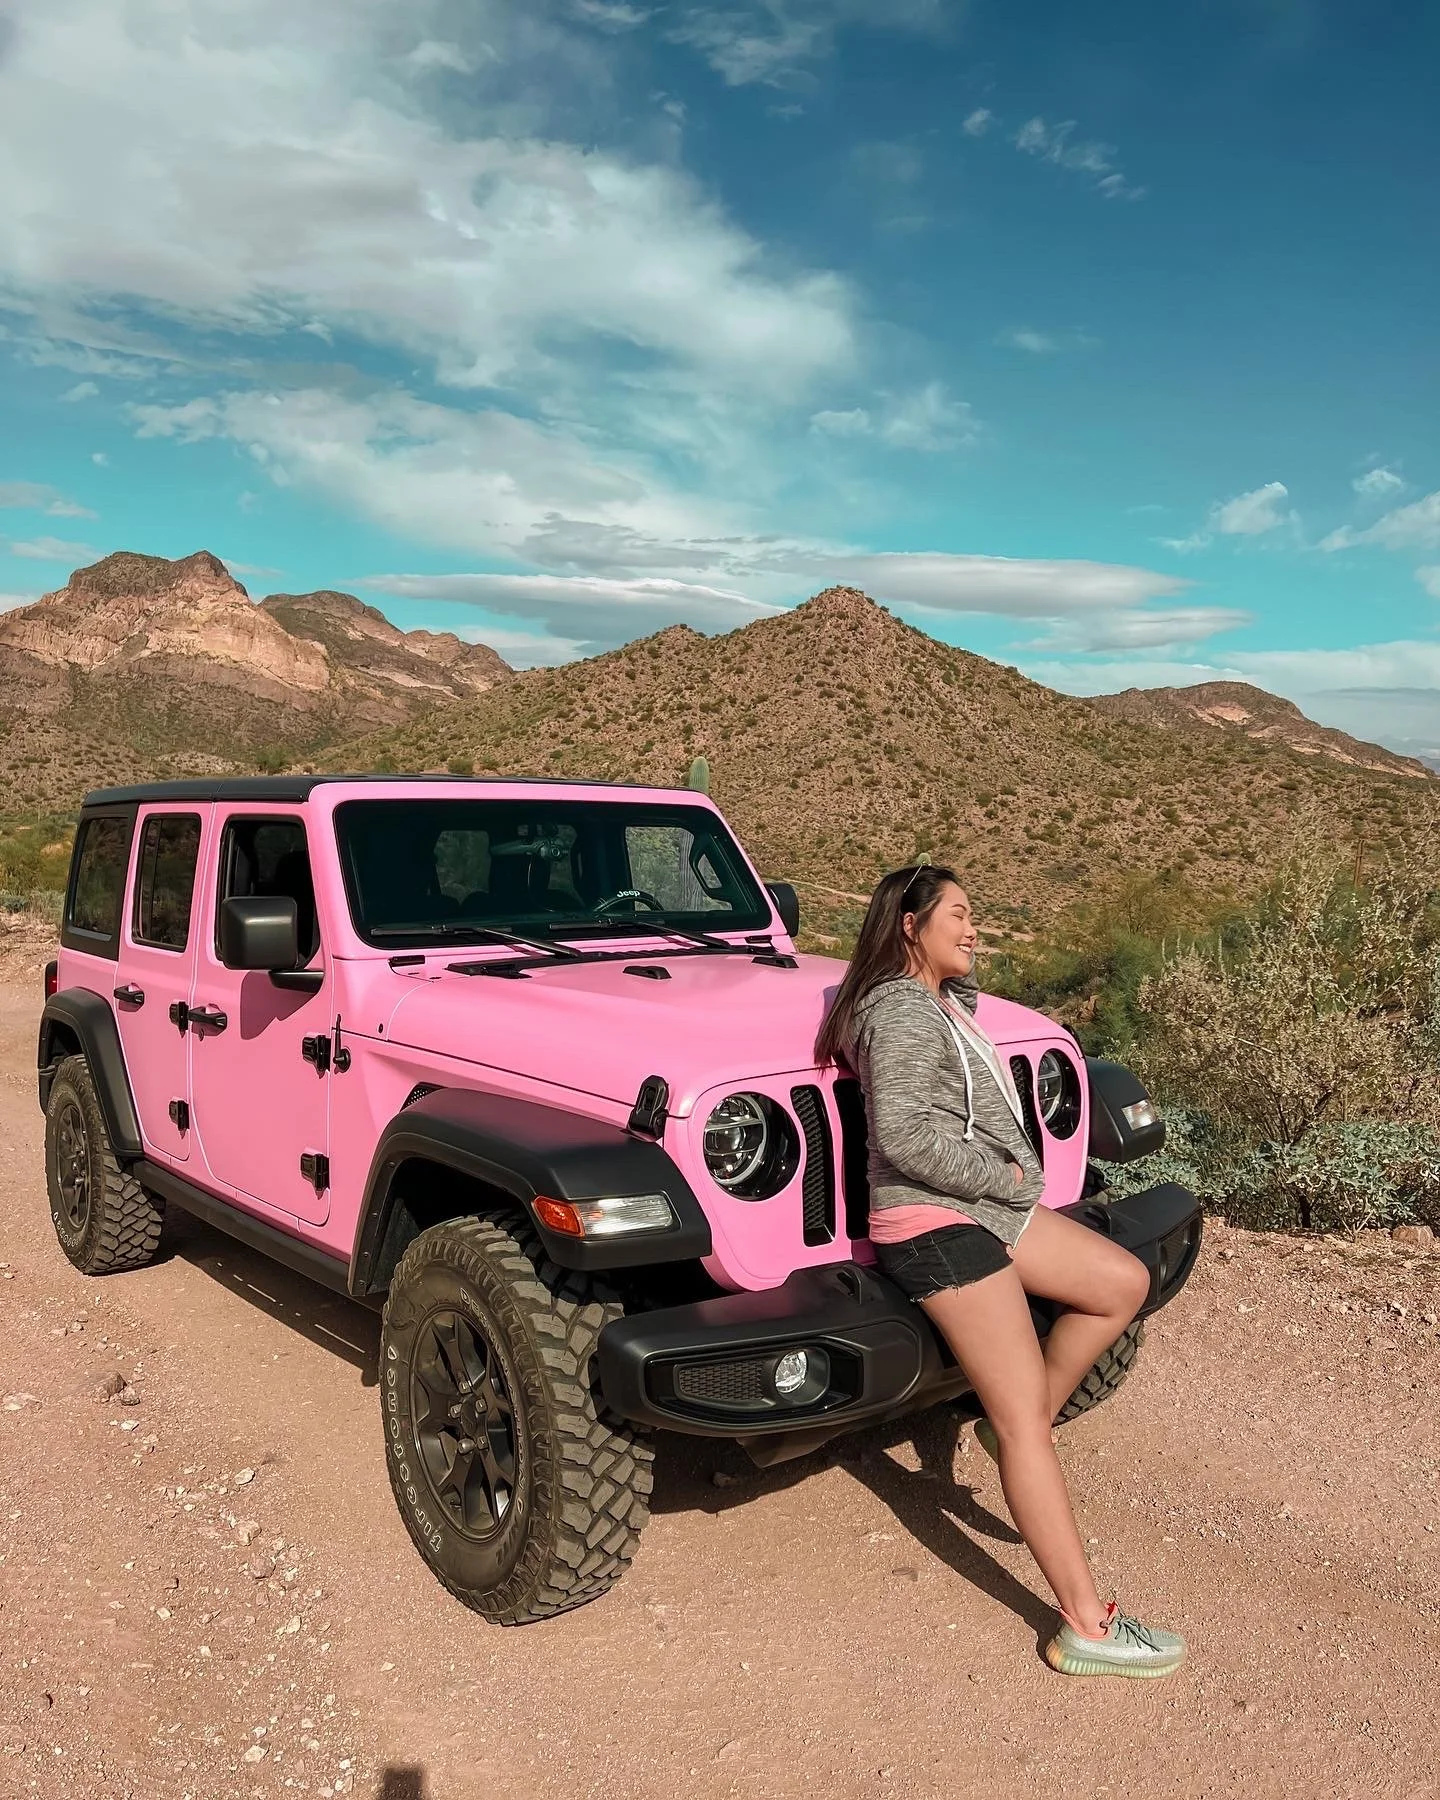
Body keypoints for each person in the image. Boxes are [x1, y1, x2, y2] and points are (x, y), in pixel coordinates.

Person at [816, 863, 1186, 1678]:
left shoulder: (936, 1002)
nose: (974, 929)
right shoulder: (900, 1012)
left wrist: (962, 988)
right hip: (937, 1220)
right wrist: (1007, 1178)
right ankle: (1087, 1623)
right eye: (959, 915)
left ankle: (1014, 1428)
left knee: (1121, 1282)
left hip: (987, 1211)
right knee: (1027, 1427)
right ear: (909, 925)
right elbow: (908, 1140)